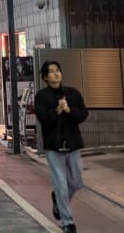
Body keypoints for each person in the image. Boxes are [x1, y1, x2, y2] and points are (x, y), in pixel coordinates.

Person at [34, 60, 88, 233]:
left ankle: (57, 201)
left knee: (76, 181)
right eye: (51, 72)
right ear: (45, 77)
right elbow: (43, 120)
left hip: (73, 145)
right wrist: (57, 111)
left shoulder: (72, 94)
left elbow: (82, 115)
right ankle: (67, 222)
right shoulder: (42, 96)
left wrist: (69, 110)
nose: (56, 74)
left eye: (58, 70)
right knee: (61, 186)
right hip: (54, 147)